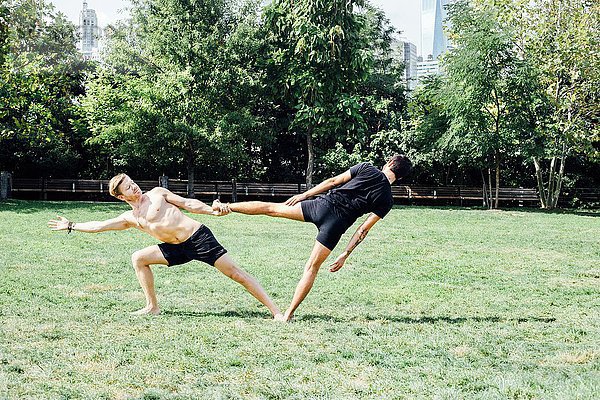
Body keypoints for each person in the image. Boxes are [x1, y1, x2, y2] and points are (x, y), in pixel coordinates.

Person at [48, 173, 282, 318]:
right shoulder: (131, 218)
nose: (135, 187)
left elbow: (188, 203)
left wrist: (212, 210)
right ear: (121, 197)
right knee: (139, 258)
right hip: (176, 248)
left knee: (237, 274)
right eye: (128, 188)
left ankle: (277, 312)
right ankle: (152, 306)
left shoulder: (158, 194)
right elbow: (100, 226)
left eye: (133, 183)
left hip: (198, 238)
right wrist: (72, 225)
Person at [214, 154, 412, 321]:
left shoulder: (366, 168)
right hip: (336, 225)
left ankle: (226, 207)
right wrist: (344, 254)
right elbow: (362, 230)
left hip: (322, 206)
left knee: (271, 208)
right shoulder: (387, 201)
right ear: (400, 177)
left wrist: (304, 195)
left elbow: (332, 182)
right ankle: (288, 315)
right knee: (311, 268)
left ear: (390, 164)